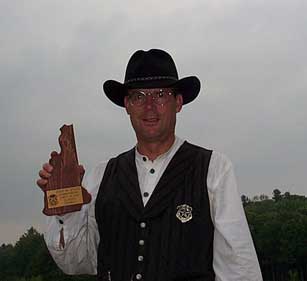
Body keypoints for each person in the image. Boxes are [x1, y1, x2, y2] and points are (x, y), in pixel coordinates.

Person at [37, 49, 263, 281]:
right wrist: (67, 208)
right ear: (127, 105)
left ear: (178, 102)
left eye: (161, 95)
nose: (150, 107)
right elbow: (77, 263)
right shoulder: (100, 175)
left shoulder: (214, 169)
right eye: (139, 96)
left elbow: (239, 269)